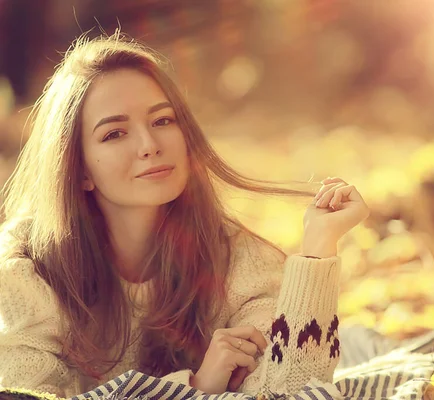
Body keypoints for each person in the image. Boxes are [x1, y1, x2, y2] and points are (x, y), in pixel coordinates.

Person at [0, 32, 370, 398]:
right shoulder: (27, 273)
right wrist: (193, 388)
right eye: (114, 134)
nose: (149, 146)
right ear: (78, 169)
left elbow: (294, 390)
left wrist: (319, 247)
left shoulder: (233, 257)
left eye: (162, 121)